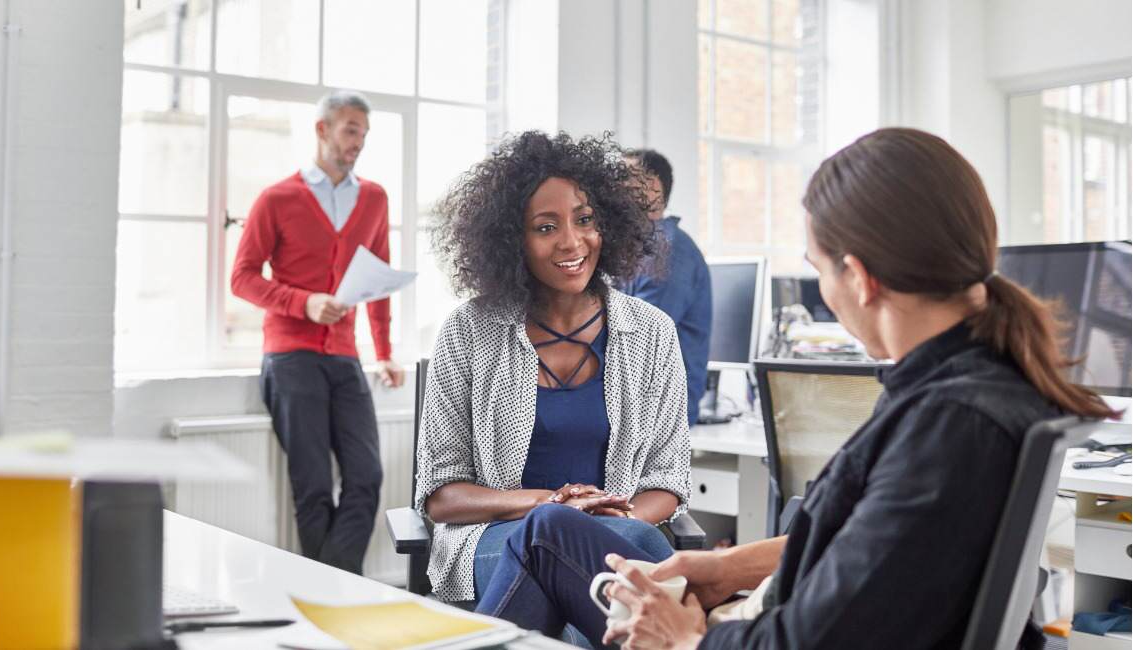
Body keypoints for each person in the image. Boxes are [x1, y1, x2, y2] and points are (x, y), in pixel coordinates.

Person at [473, 127, 1120, 649]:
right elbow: (876, 546)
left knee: (543, 537)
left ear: (860, 279)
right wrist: (725, 568)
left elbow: (816, 635)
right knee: (550, 529)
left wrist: (687, 640)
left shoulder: (948, 425)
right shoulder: (972, 386)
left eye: (818, 271)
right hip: (762, 615)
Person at [415, 131, 693, 607]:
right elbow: (442, 494)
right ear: (511, 240)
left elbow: (667, 479)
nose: (571, 241)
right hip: (493, 540)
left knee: (605, 562)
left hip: (614, 536)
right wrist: (550, 505)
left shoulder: (652, 332)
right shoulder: (469, 330)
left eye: (585, 220)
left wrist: (607, 523)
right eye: (545, 227)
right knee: (581, 553)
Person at [231, 90, 405, 575]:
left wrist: (385, 352)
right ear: (322, 130)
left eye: (364, 134)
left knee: (366, 476)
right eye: (351, 130)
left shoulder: (374, 198)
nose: (359, 142)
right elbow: (241, 277)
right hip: (290, 356)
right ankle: (333, 596)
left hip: (346, 356)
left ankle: (329, 586)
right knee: (311, 486)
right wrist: (302, 302)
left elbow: (378, 277)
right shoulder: (277, 198)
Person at [620, 149, 711, 426]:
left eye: (622, 180)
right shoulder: (634, 251)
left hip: (659, 413)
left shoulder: (667, 250)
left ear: (653, 190)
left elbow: (639, 342)